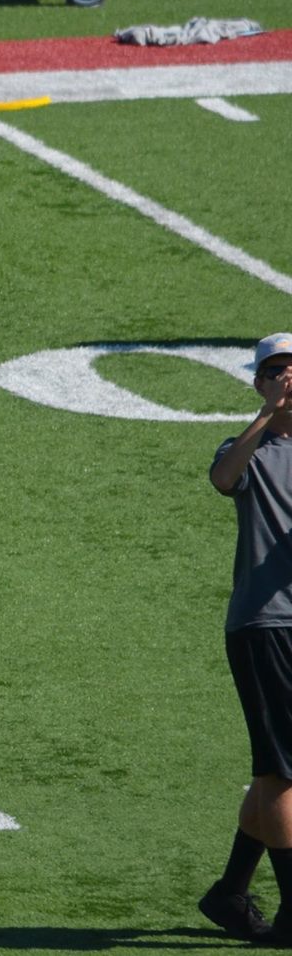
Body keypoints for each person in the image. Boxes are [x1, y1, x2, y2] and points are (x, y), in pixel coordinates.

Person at [198, 332, 292, 944]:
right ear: (259, 383)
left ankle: (230, 893)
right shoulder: (249, 450)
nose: (288, 380)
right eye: (276, 373)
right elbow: (222, 477)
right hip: (267, 625)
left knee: (274, 771)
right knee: (284, 774)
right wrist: (266, 415)